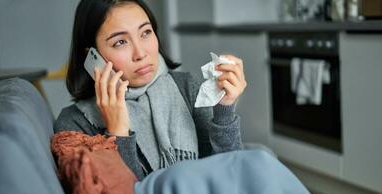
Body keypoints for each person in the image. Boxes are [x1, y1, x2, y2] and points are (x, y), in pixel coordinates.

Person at [54, 0, 247, 180]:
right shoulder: (73, 124)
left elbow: (229, 172)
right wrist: (118, 133)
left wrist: (224, 109)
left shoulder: (185, 86)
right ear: (92, 57)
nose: (141, 53)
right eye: (120, 42)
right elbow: (124, 193)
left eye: (145, 33)